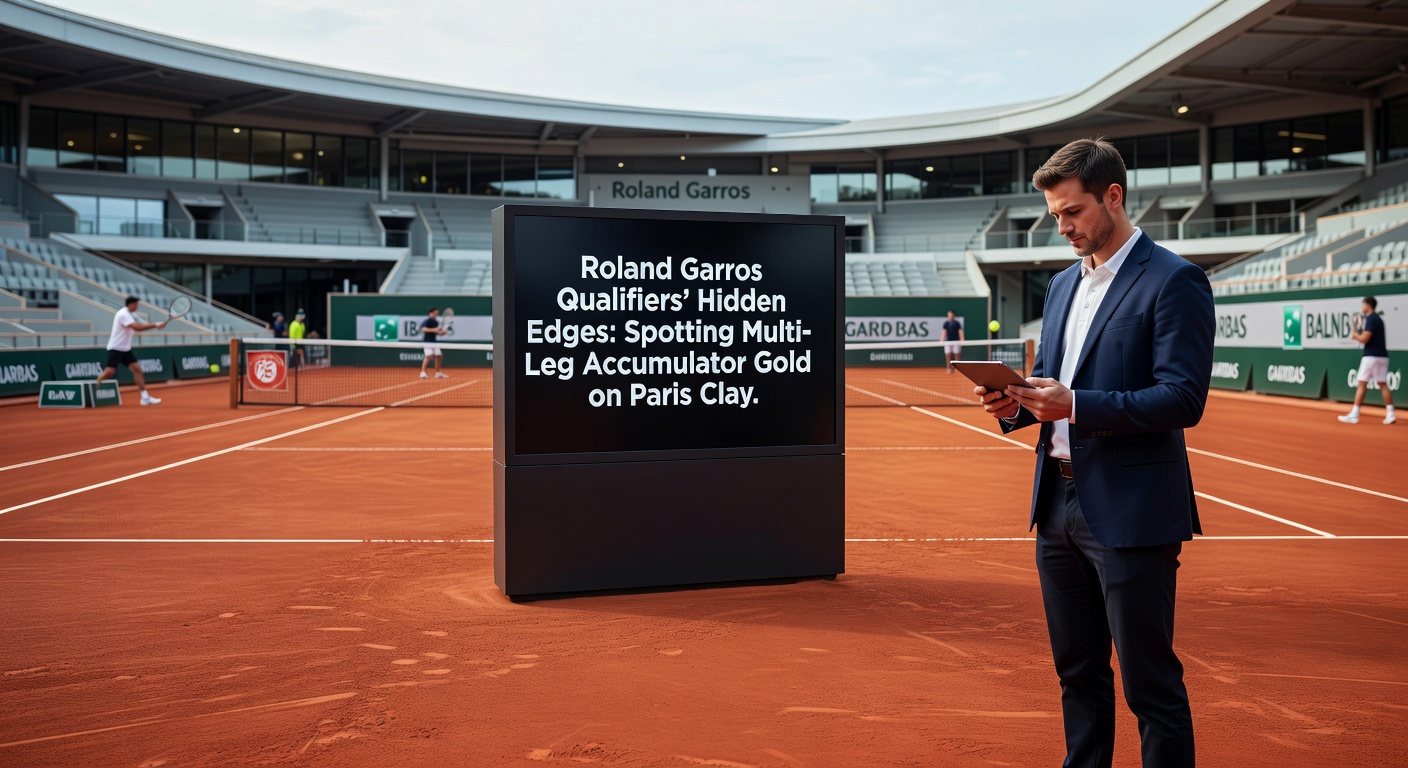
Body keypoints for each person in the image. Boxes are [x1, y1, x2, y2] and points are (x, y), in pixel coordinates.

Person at [973, 138, 1213, 768]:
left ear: (1113, 196)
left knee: (1149, 684)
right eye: (1054, 215)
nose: (1063, 227)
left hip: (1132, 509)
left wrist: (1075, 404)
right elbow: (1049, 382)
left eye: (1073, 211)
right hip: (1056, 505)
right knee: (1077, 673)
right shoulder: (1059, 287)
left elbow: (1182, 399)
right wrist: (1016, 405)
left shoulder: (1174, 280)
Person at [95, 295, 168, 406]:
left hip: (125, 349)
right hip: (116, 348)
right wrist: (155, 325)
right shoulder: (123, 314)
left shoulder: (128, 314)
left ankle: (145, 398)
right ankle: (94, 388)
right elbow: (137, 328)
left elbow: (136, 329)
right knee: (110, 372)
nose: (137, 306)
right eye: (137, 304)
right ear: (131, 304)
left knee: (137, 369)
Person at [1339, 296, 1395, 425]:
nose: (1362, 307)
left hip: (1371, 357)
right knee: (1383, 384)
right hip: (1382, 356)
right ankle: (1390, 413)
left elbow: (1365, 338)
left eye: (1363, 304)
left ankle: (1354, 414)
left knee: (1361, 383)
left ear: (1368, 305)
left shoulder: (1371, 319)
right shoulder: (1378, 319)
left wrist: (1355, 336)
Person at [419, 307, 450, 379]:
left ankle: (438, 373)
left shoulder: (436, 322)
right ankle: (423, 372)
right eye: (436, 313)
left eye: (437, 313)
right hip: (427, 342)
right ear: (431, 313)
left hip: (434, 342)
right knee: (428, 356)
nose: (437, 314)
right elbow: (424, 329)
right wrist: (434, 329)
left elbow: (438, 332)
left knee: (438, 356)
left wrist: (443, 332)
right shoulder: (427, 320)